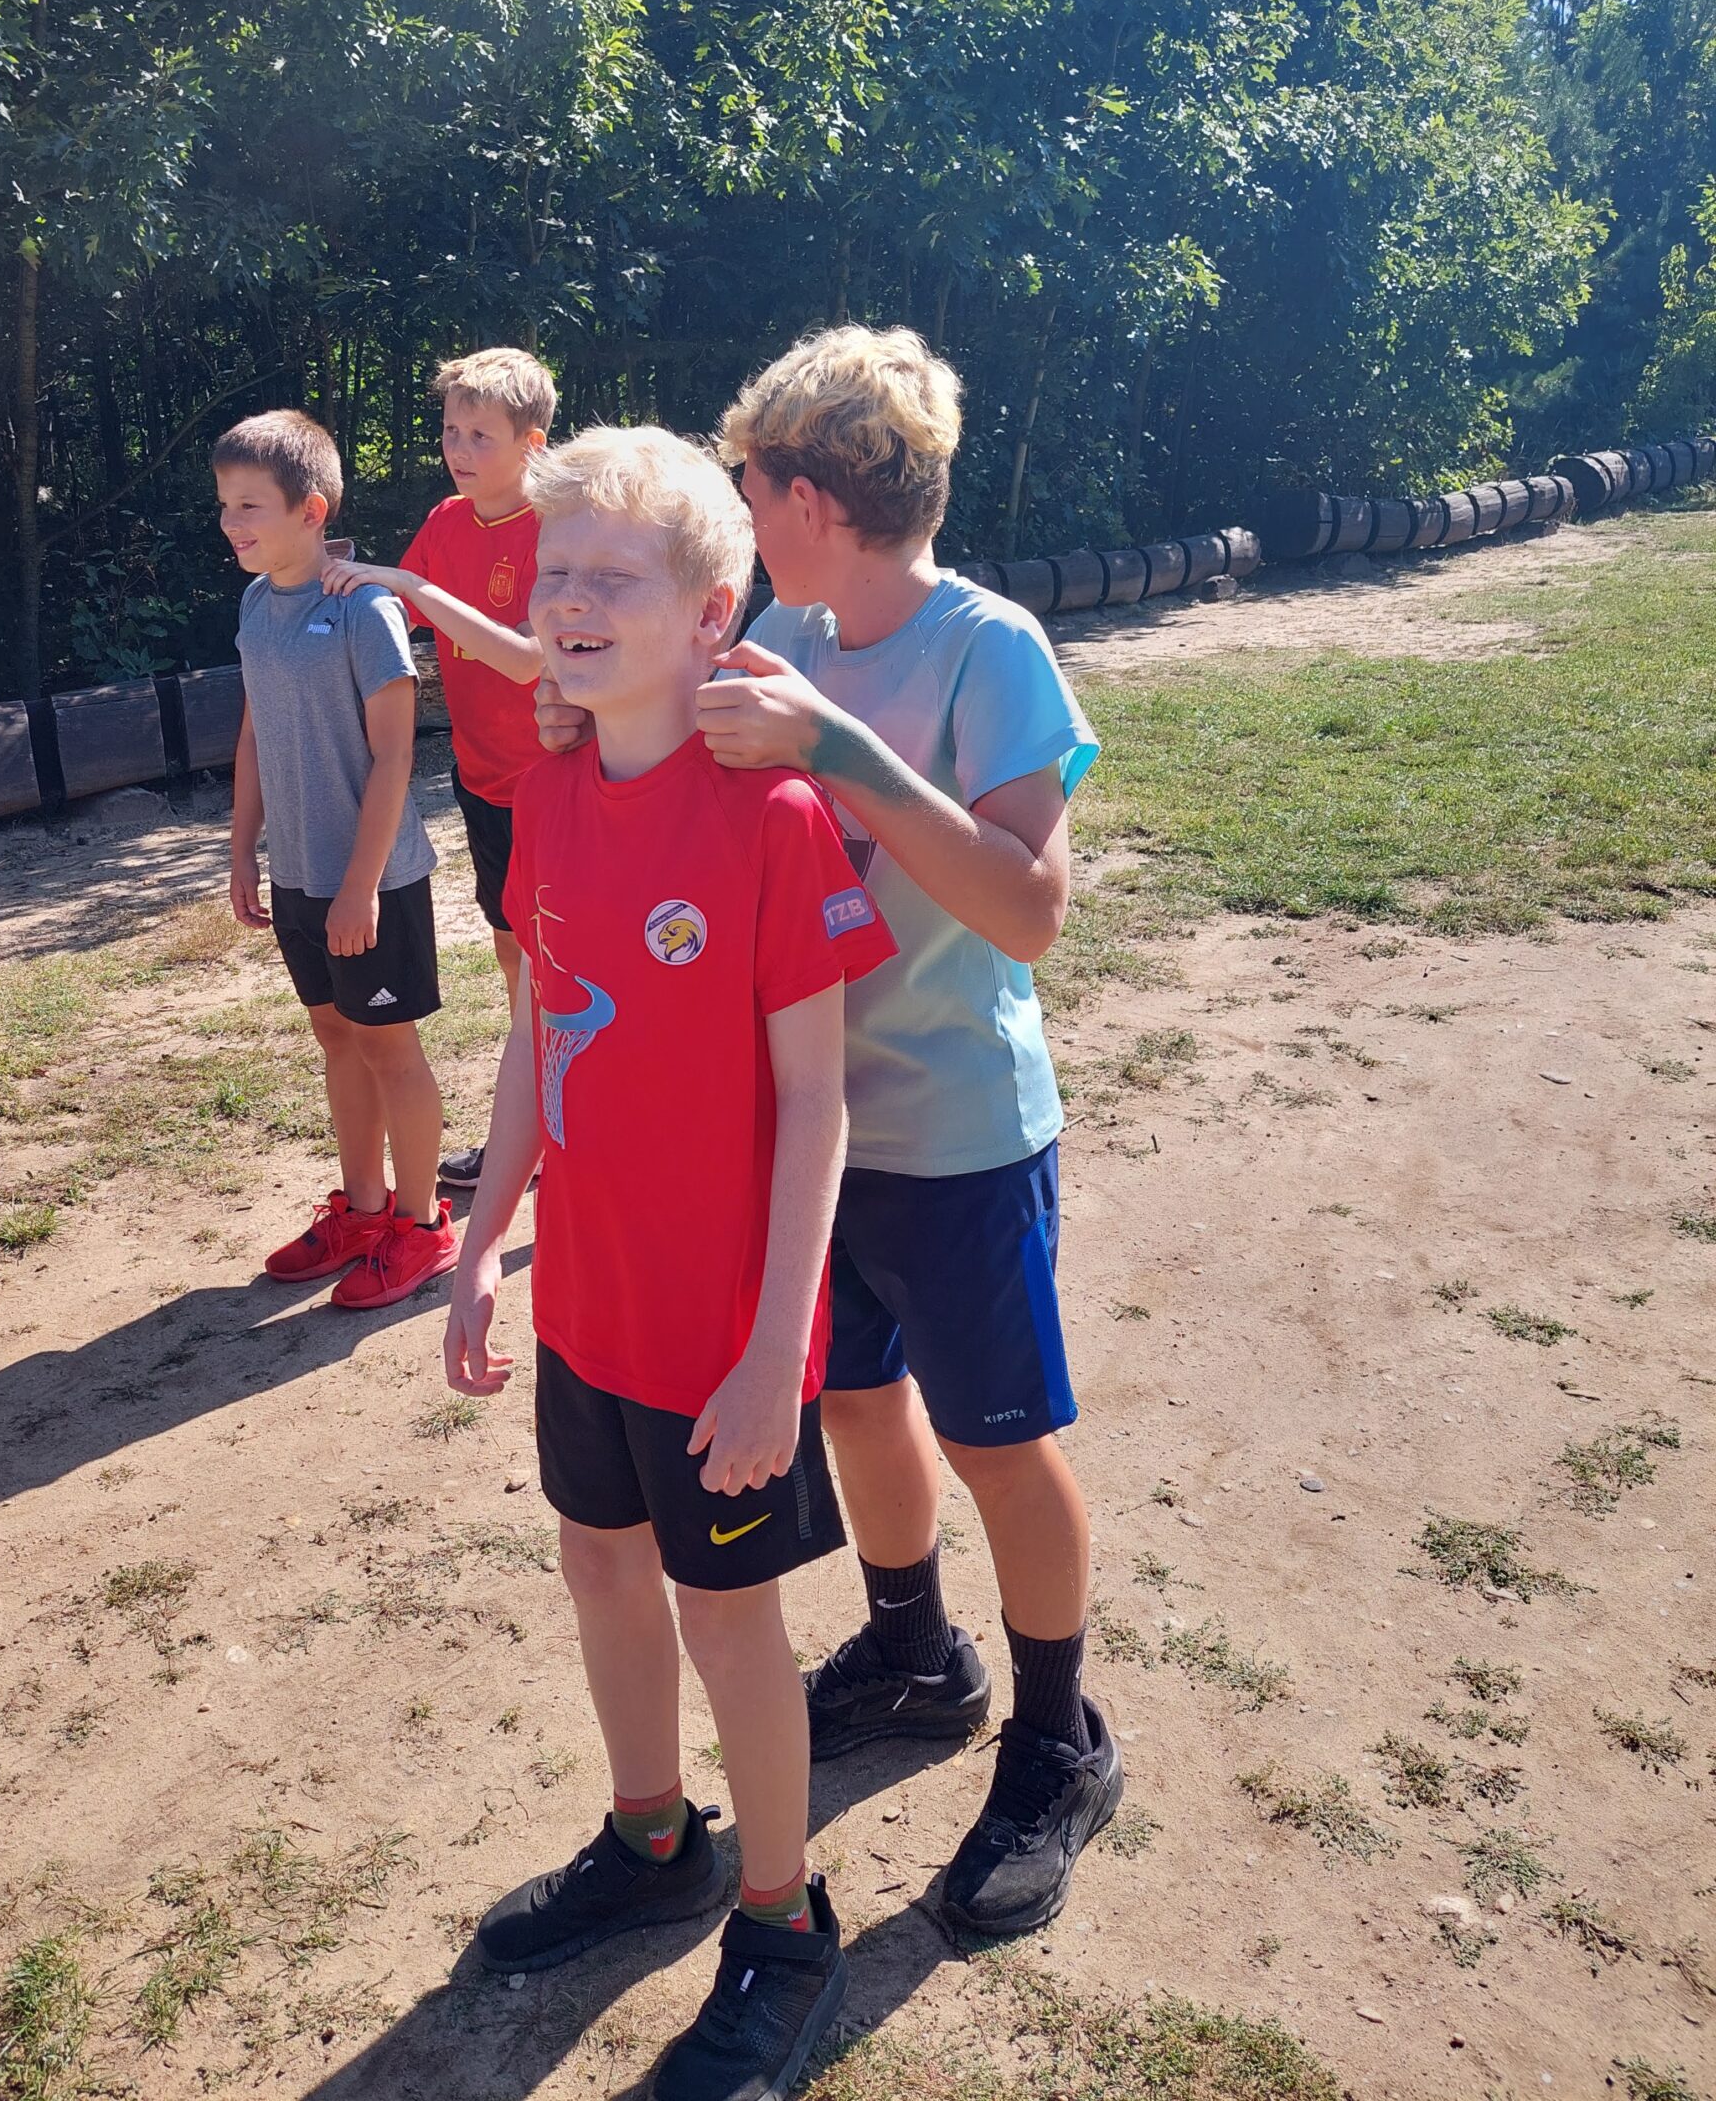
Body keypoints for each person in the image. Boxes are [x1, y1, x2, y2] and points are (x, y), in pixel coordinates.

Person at [540, 324, 1118, 1937]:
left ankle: (1058, 1737)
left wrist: (839, 750)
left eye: (749, 486)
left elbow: (1029, 911)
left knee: (996, 1440)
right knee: (856, 1404)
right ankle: (915, 1651)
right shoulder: (776, 628)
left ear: (805, 497)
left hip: (952, 1127)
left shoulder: (986, 648)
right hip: (791, 1143)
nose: (741, 513)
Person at [447, 426, 895, 2101]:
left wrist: (780, 1351)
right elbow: (537, 1029)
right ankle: (654, 1841)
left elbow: (817, 1100)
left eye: (611, 578)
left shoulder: (773, 815)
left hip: (721, 1332)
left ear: (713, 615)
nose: (567, 600)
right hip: (590, 1302)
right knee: (599, 1565)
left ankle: (784, 1919)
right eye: (554, 572)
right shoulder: (547, 793)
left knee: (730, 1621)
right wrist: (483, 1237)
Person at [215, 408, 456, 1311]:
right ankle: (362, 1211)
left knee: (390, 1047)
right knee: (336, 1036)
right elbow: (252, 735)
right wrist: (243, 851)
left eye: (250, 506)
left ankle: (423, 1227)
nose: (233, 524)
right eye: (225, 506)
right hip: (298, 877)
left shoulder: (365, 609)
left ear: (310, 510)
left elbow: (396, 756)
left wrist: (361, 887)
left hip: (375, 882)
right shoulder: (255, 604)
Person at [327, 348, 555, 1189]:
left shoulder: (558, 528)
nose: (458, 448)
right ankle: (540, 1130)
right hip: (481, 779)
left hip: (557, 785)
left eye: (479, 435)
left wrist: (407, 587)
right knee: (513, 957)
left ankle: (567, 1132)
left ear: (532, 442)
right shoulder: (448, 519)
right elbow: (391, 609)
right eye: (451, 430)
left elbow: (526, 660)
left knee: (560, 966)